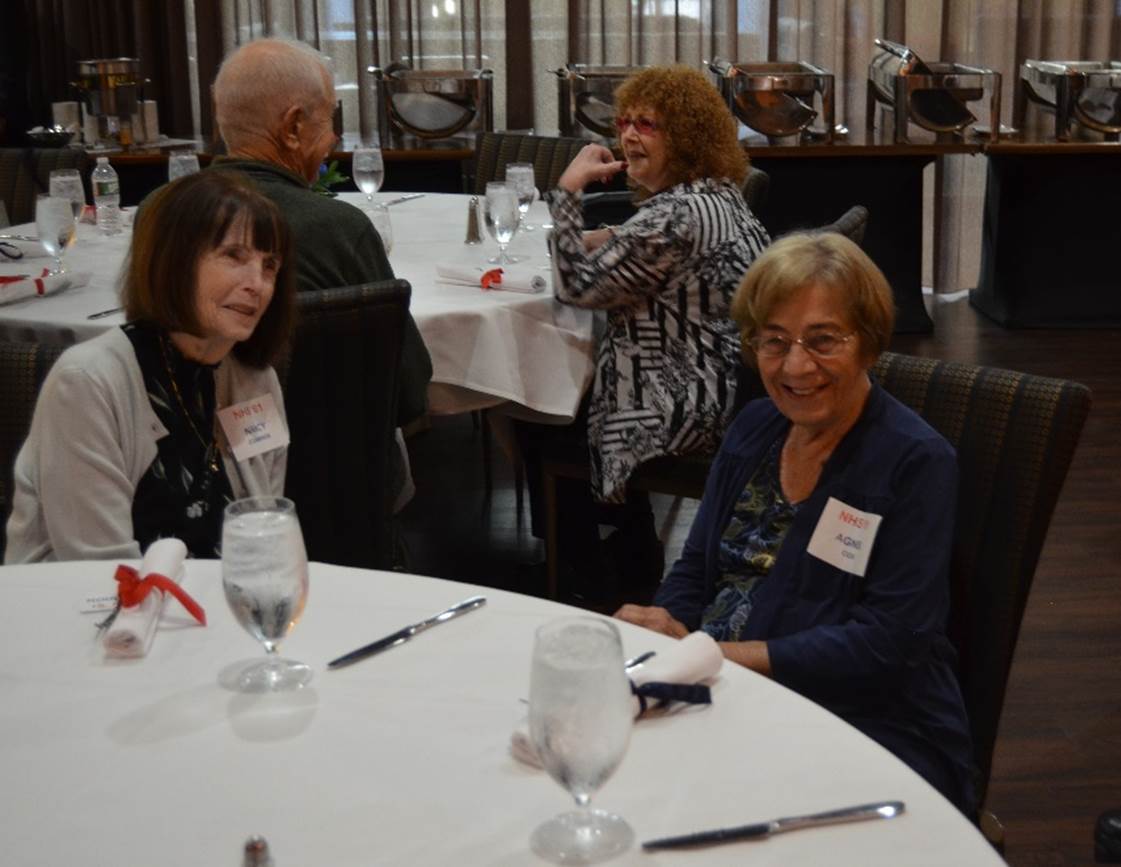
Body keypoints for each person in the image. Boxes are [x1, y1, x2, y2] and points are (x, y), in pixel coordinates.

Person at [615, 231, 977, 813]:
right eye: (773, 341)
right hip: (726, 695)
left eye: (823, 340)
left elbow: (890, 642)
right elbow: (695, 569)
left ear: (868, 343)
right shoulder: (755, 427)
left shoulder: (915, 462)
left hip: (870, 724)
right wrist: (665, 631)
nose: (795, 366)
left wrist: (713, 656)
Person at [526, 64, 770, 587]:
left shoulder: (675, 216)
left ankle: (587, 566)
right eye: (625, 123)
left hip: (681, 402)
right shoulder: (716, 196)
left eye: (648, 125)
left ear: (685, 137)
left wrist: (568, 190)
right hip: (727, 385)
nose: (630, 135)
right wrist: (613, 232)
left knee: (538, 406)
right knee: (556, 395)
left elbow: (575, 287)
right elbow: (659, 249)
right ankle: (621, 538)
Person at [5, 171, 295, 562]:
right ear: (174, 261)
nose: (256, 283)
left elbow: (266, 539)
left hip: (220, 606)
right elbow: (101, 569)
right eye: (233, 256)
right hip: (92, 611)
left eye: (269, 266)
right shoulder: (88, 385)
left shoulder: (255, 382)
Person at [210, 37, 432, 512]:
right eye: (330, 119)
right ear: (293, 127)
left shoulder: (159, 217)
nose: (333, 139)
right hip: (339, 491)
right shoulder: (336, 228)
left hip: (198, 487)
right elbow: (410, 390)